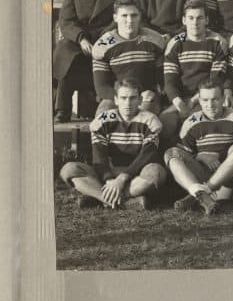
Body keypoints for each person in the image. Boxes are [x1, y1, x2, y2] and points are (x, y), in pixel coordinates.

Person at [59, 77, 168, 210]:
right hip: (108, 174)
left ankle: (101, 198)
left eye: (133, 98)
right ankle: (123, 202)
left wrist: (121, 179)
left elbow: (147, 155)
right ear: (115, 100)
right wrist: (110, 180)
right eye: (123, 98)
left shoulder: (150, 120)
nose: (128, 103)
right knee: (69, 169)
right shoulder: (103, 120)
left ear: (140, 100)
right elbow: (99, 157)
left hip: (136, 175)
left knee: (157, 172)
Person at [54, 0, 129, 121]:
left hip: (108, 38)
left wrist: (104, 38)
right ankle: (62, 109)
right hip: (81, 42)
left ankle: (105, 104)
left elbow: (120, 17)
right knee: (65, 52)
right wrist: (81, 39)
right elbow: (67, 21)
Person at [165, 81, 233, 214]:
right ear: (199, 100)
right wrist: (200, 156)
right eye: (205, 100)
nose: (210, 105)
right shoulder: (191, 122)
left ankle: (202, 193)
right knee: (171, 153)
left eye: (215, 99)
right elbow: (186, 156)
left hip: (228, 177)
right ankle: (198, 192)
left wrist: (218, 156)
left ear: (223, 99)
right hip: (202, 174)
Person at [159, 0, 228, 144]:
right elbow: (169, 82)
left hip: (205, 98)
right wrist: (180, 104)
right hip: (181, 99)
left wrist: (194, 101)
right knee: (164, 123)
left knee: (194, 124)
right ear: (184, 20)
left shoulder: (217, 42)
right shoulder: (176, 43)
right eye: (190, 18)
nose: (195, 22)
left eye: (199, 18)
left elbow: (215, 80)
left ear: (207, 20)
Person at [91, 0, 166, 114]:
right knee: (103, 115)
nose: (129, 20)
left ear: (140, 16)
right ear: (115, 17)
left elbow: (162, 79)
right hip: (116, 98)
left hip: (145, 97)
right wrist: (123, 100)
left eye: (134, 15)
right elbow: (101, 87)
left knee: (143, 118)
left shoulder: (155, 41)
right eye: (124, 16)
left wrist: (155, 92)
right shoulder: (103, 46)